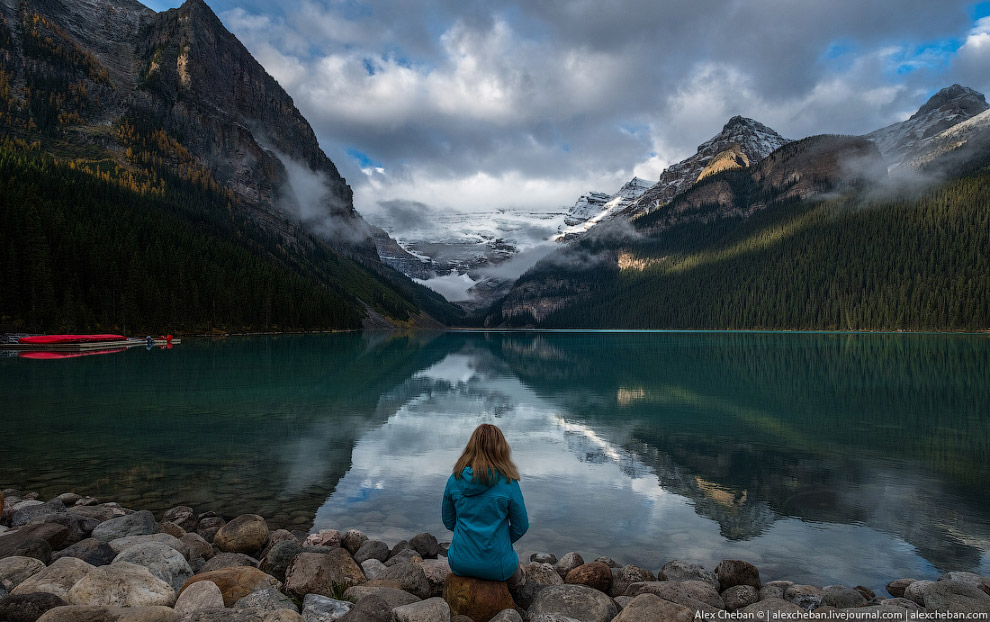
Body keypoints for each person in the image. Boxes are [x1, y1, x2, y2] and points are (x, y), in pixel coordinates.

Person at [442, 423, 529, 585]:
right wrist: (498, 541)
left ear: (471, 447)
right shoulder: (508, 482)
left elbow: (448, 521)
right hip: (498, 565)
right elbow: (521, 526)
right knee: (519, 579)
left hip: (460, 562)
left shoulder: (454, 480)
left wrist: (469, 536)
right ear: (501, 449)